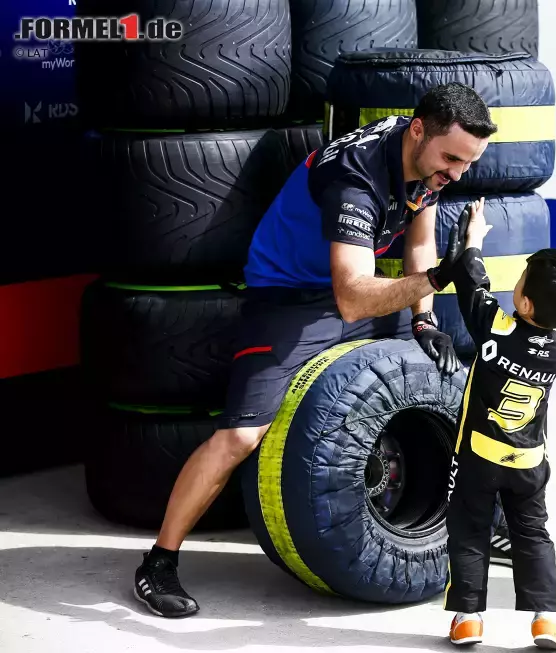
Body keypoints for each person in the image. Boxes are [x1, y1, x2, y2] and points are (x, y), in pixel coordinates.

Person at [132, 83, 499, 619]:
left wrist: (423, 321)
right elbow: (354, 300)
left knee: (464, 367)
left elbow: (418, 241)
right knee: (239, 435)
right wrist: (443, 276)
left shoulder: (428, 158)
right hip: (290, 299)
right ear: (418, 130)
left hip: (353, 289)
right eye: (452, 159)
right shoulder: (357, 177)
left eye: (469, 163)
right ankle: (158, 562)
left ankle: (490, 517)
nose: (458, 173)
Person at [440, 198, 556, 650]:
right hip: (529, 462)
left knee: (469, 530)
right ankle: (547, 619)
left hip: (480, 456)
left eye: (521, 280)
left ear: (523, 300)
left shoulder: (495, 329)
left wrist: (473, 239)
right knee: (533, 535)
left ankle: (468, 619)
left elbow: (472, 283)